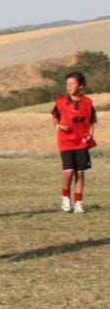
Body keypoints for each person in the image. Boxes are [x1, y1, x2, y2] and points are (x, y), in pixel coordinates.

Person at [51, 70, 97, 213]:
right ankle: (65, 197)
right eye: (67, 84)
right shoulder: (60, 102)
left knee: (80, 173)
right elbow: (54, 117)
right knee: (69, 171)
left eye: (72, 84)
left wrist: (90, 135)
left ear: (81, 86)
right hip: (66, 141)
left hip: (81, 142)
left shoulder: (88, 103)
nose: (69, 86)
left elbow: (91, 122)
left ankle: (78, 202)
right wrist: (59, 126)